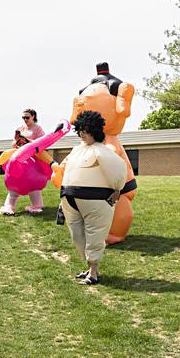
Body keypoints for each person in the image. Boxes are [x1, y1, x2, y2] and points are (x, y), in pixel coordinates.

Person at [58, 110, 127, 285]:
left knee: (95, 235)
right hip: (70, 197)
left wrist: (117, 189)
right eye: (81, 130)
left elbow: (118, 169)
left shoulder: (104, 150)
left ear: (95, 131)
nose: (83, 134)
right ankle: (89, 267)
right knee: (77, 236)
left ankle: (94, 272)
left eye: (86, 130)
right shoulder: (76, 150)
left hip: (95, 199)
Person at [0, 108, 57, 215]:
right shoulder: (20, 128)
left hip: (32, 153)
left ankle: (37, 204)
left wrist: (29, 142)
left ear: (33, 116)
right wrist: (16, 142)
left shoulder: (38, 129)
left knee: (34, 183)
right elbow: (13, 142)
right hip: (19, 153)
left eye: (27, 117)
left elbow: (42, 142)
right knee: (9, 152)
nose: (25, 119)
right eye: (23, 117)